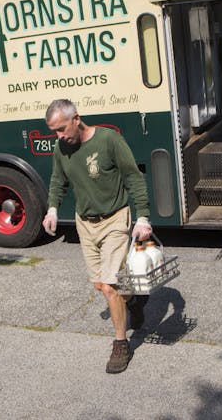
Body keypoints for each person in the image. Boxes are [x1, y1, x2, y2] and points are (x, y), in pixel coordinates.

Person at [42, 98, 152, 374]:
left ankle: (120, 344)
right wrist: (53, 209)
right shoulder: (61, 148)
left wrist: (143, 217)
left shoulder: (108, 140)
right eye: (54, 131)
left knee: (109, 287)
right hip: (85, 223)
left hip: (115, 219)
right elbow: (58, 180)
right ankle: (134, 300)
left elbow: (133, 177)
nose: (59, 136)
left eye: (62, 129)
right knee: (100, 286)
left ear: (76, 119)